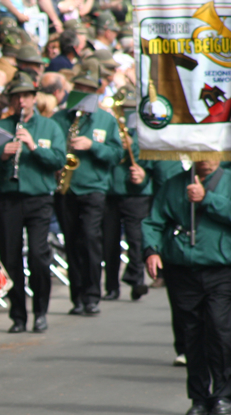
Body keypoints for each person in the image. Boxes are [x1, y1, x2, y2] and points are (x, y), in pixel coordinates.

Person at [143, 160, 231, 415]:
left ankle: (222, 394)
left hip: (222, 269)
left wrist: (208, 199)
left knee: (220, 330)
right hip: (182, 270)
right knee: (192, 334)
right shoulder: (174, 184)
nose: (205, 159)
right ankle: (198, 396)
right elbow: (154, 221)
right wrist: (151, 251)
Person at [0, 72, 66, 334]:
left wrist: (34, 147)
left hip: (38, 198)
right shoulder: (1, 126)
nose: (21, 101)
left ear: (34, 98)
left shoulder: (49, 127)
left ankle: (40, 312)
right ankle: (18, 316)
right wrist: (1, 156)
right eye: (16, 96)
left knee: (37, 256)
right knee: (10, 259)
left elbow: (58, 160)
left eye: (26, 96)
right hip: (8, 198)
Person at [51, 62, 121, 316]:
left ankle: (92, 295)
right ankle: (77, 297)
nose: (83, 92)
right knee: (72, 243)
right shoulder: (59, 118)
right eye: (79, 88)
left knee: (91, 240)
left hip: (94, 188)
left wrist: (92, 146)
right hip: (66, 190)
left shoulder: (105, 120)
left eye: (88, 89)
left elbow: (116, 154)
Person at [101, 84, 152, 302]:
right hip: (112, 192)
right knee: (109, 241)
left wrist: (142, 174)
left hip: (136, 195)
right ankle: (111, 286)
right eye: (123, 108)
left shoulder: (146, 132)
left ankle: (137, 280)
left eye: (131, 108)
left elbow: (152, 166)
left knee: (136, 239)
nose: (127, 113)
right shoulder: (111, 128)